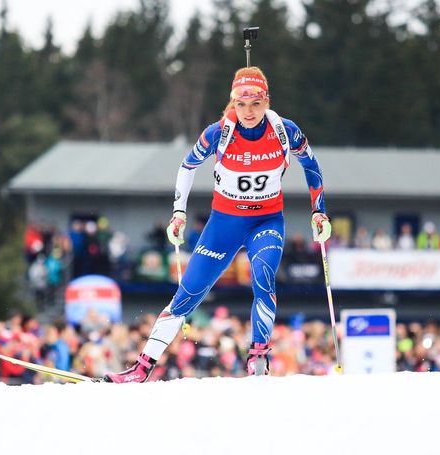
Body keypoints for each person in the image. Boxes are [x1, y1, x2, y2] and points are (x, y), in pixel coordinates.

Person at [104, 66, 331, 382]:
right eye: (241, 104)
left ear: (266, 101)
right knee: (187, 294)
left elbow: (311, 165)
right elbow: (187, 166)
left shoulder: (285, 130)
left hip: (266, 221)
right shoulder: (219, 132)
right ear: (233, 103)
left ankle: (257, 358)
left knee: (263, 275)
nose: (248, 112)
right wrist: (178, 213)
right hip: (224, 223)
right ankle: (141, 369)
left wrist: (319, 211)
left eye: (255, 104)